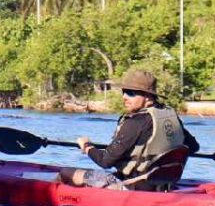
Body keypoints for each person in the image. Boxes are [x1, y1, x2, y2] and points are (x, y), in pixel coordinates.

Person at [59, 70, 200, 191]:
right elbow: (193, 147)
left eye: (131, 93)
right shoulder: (169, 116)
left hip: (130, 186)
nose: (124, 97)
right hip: (163, 185)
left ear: (148, 97)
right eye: (124, 92)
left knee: (65, 173)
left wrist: (87, 146)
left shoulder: (135, 122)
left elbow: (105, 161)